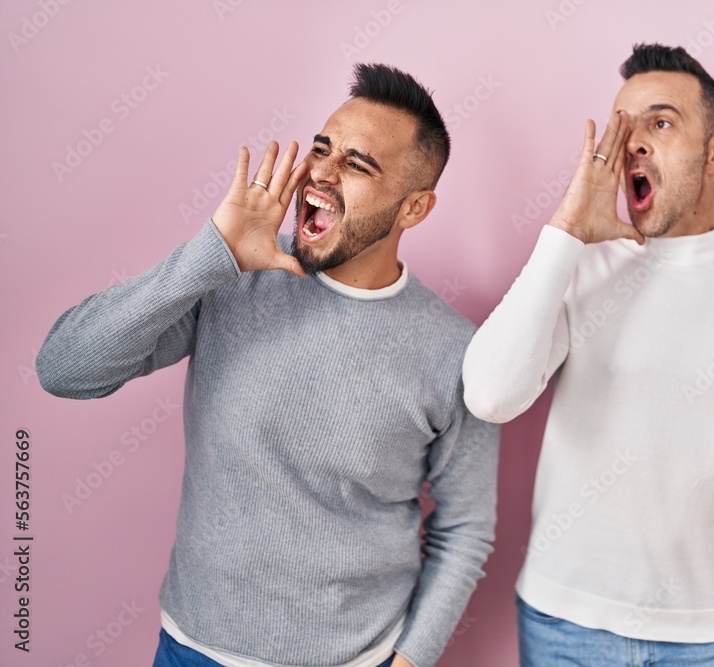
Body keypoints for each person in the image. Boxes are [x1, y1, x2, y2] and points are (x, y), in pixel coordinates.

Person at [36, 63, 499, 667]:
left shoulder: (454, 353)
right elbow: (64, 369)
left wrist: (408, 661)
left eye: (357, 165)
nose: (320, 175)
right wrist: (212, 254)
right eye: (322, 149)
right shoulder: (233, 278)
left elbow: (466, 529)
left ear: (414, 208)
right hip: (191, 648)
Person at [463, 43, 714, 667]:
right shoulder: (579, 266)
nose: (632, 141)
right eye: (623, 126)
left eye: (660, 123)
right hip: (561, 629)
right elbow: (490, 396)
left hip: (706, 642)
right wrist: (566, 231)